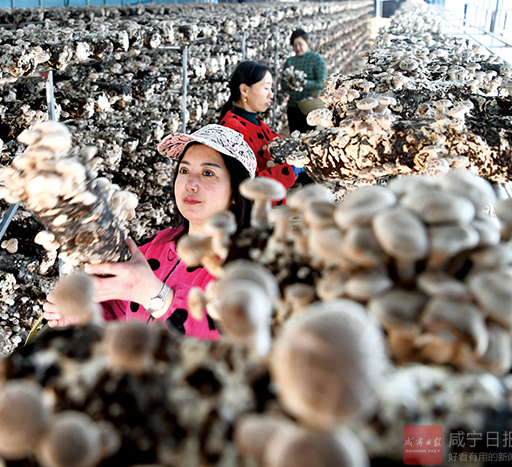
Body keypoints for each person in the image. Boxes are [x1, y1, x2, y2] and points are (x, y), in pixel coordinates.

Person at [42, 124, 256, 339]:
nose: (190, 183)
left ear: (237, 192)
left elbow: (229, 338)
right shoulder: (157, 245)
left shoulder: (248, 263)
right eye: (184, 170)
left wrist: (159, 298)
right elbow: (116, 311)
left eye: (207, 173)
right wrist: (80, 317)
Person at [218, 61, 297, 199]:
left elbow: (283, 146)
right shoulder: (233, 130)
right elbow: (248, 185)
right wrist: (290, 170)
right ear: (244, 90)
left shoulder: (259, 125)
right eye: (266, 88)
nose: (271, 95)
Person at [280, 28, 328, 136]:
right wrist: (290, 83)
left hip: (309, 107)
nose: (297, 48)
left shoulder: (317, 59)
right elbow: (283, 85)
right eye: (294, 45)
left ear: (307, 42)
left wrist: (303, 83)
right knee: (294, 137)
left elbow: (322, 83)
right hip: (293, 107)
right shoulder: (290, 61)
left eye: (300, 44)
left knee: (308, 138)